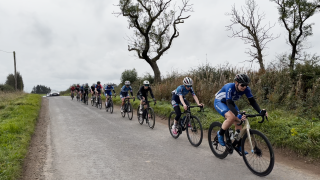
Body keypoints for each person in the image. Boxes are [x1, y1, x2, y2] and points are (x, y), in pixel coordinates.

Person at [214, 73, 268, 154]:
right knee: (231, 117)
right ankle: (220, 134)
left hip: (230, 102)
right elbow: (228, 103)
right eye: (242, 85)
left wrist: (260, 111)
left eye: (246, 85)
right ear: (236, 83)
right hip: (220, 102)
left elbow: (252, 102)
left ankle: (237, 144)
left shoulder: (246, 89)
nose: (244, 87)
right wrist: (237, 114)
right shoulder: (230, 87)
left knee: (239, 120)